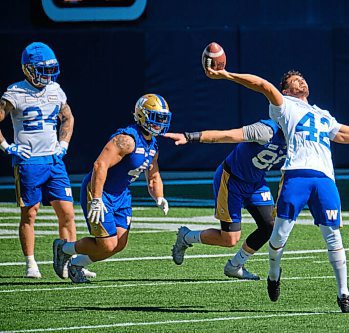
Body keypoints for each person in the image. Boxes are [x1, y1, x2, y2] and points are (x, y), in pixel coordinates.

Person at [205, 67, 349, 313]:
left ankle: (344, 294)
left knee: (333, 236)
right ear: (286, 90)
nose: (302, 82)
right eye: (296, 80)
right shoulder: (285, 106)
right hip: (296, 174)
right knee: (279, 234)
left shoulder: (323, 115)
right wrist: (227, 75)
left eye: (303, 79)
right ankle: (274, 275)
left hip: (325, 179)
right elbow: (263, 85)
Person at [52, 93, 172, 283]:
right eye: (156, 118)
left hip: (122, 194)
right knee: (107, 244)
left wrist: (159, 197)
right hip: (101, 191)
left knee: (119, 244)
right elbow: (100, 165)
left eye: (163, 119)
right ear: (142, 115)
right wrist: (97, 198)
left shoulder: (153, 144)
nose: (159, 123)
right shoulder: (127, 139)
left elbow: (153, 174)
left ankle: (77, 264)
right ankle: (64, 248)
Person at [0, 42, 95, 279]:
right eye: (43, 69)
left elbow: (68, 117)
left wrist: (63, 144)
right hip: (29, 162)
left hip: (54, 161)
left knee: (67, 213)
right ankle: (30, 262)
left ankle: (70, 261)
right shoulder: (14, 93)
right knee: (29, 214)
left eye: (51, 69)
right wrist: (7, 146)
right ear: (28, 69)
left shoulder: (55, 90)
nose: (48, 75)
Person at [166, 118, 286, 280]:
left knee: (270, 226)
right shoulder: (266, 131)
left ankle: (235, 266)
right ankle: (186, 237)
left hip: (256, 182)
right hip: (232, 179)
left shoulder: (299, 136)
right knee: (229, 239)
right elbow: (226, 135)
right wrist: (190, 136)